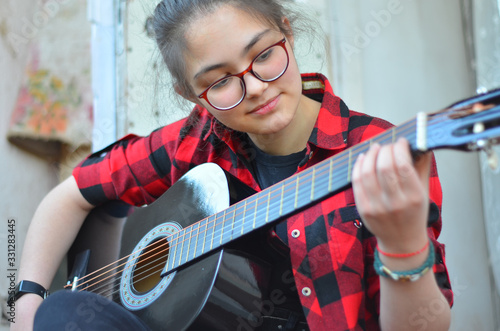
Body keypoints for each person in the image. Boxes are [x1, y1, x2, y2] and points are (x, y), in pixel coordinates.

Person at [11, 0, 453, 330]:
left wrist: (403, 245)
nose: (257, 87)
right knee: (60, 314)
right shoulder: (198, 140)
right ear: (190, 93)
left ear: (288, 33)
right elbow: (71, 195)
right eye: (221, 82)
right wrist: (24, 301)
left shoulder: (380, 151)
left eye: (264, 56)